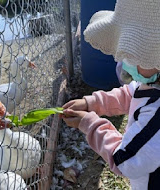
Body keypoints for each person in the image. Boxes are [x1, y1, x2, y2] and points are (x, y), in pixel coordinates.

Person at [61, 0, 160, 189]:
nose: (125, 59)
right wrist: (91, 103)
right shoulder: (150, 83)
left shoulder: (156, 119)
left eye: (137, 54)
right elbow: (130, 94)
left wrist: (89, 124)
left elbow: (125, 160)